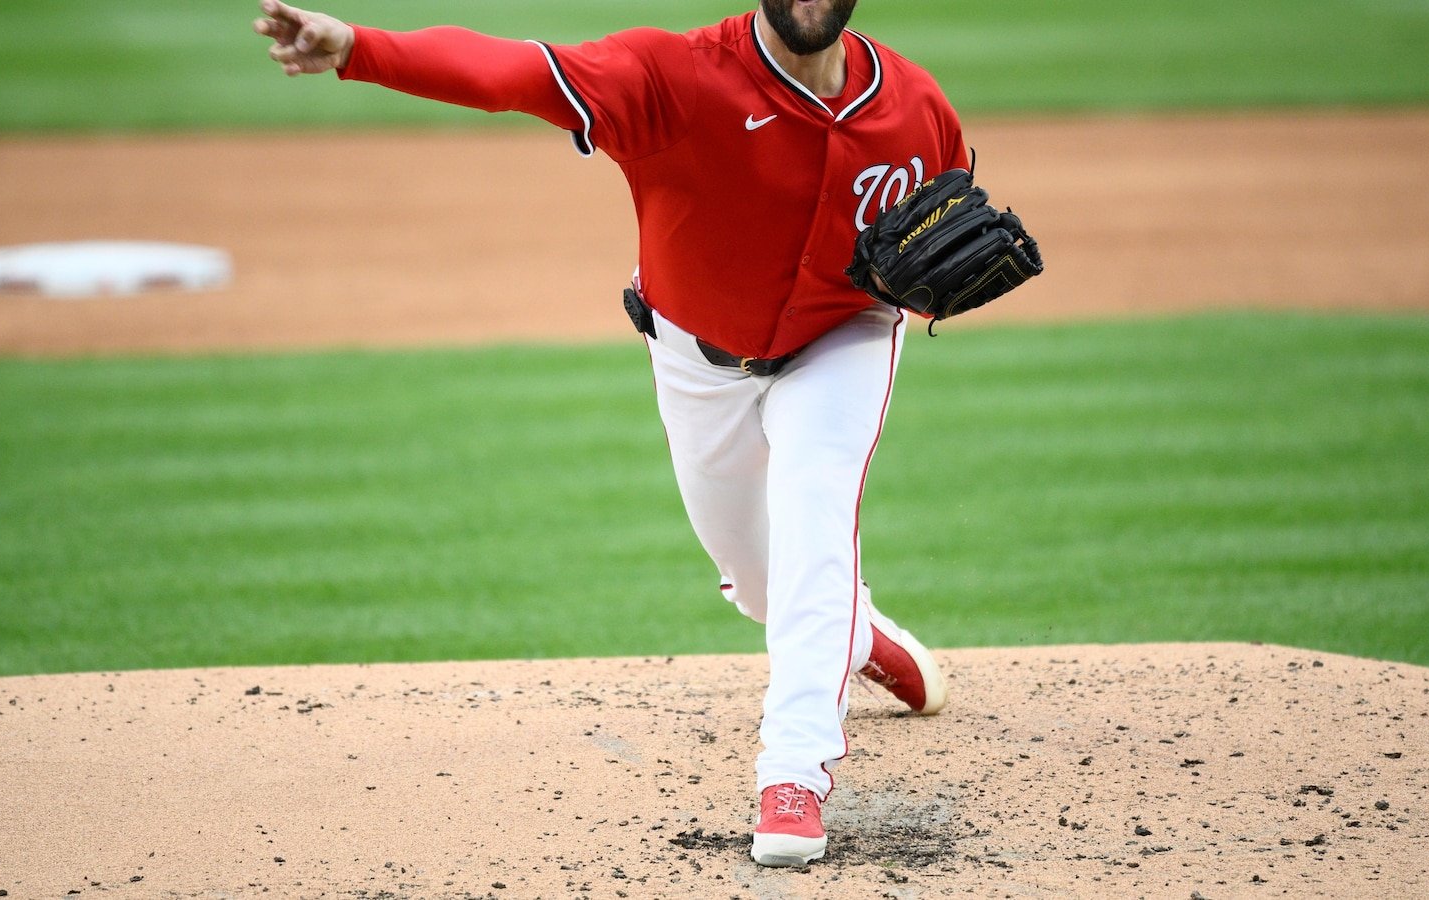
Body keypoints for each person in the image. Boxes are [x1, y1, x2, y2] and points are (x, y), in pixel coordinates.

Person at [255, 0, 963, 867]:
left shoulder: (918, 107)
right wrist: (362, 47)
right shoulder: (671, 76)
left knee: (817, 513)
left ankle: (794, 775)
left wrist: (932, 288)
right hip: (698, 361)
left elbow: (944, 233)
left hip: (842, 341)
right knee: (759, 578)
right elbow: (511, 72)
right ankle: (857, 636)